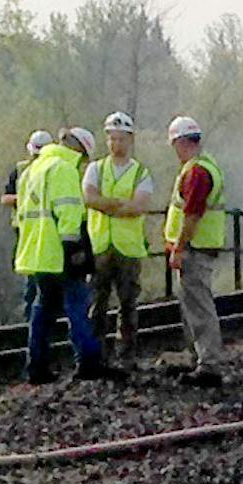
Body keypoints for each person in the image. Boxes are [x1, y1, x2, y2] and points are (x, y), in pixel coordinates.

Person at [14, 126, 123, 383]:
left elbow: (22, 215)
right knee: (77, 305)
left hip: (36, 253)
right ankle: (88, 361)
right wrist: (75, 251)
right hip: (59, 253)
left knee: (42, 309)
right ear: (80, 150)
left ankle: (36, 367)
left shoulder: (32, 169)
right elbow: (69, 213)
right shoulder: (62, 169)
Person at [84, 111, 154, 365]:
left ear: (130, 140)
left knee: (128, 304)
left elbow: (138, 206)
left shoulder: (141, 172)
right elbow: (89, 199)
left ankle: (126, 355)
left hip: (128, 248)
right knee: (97, 304)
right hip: (100, 246)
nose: (116, 144)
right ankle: (98, 355)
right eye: (112, 139)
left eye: (121, 139)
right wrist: (118, 204)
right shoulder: (96, 168)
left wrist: (107, 205)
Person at [163, 115, 227, 388]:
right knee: (192, 305)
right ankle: (198, 358)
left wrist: (179, 246)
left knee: (199, 307)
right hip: (200, 247)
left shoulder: (196, 172)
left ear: (180, 142)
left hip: (194, 248)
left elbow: (191, 214)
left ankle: (208, 364)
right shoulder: (206, 166)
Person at [1, 129, 54, 321]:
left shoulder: (54, 169)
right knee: (32, 278)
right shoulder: (21, 170)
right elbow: (5, 198)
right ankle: (30, 318)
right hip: (25, 230)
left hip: (47, 230)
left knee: (42, 278)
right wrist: (24, 197)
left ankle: (40, 318)